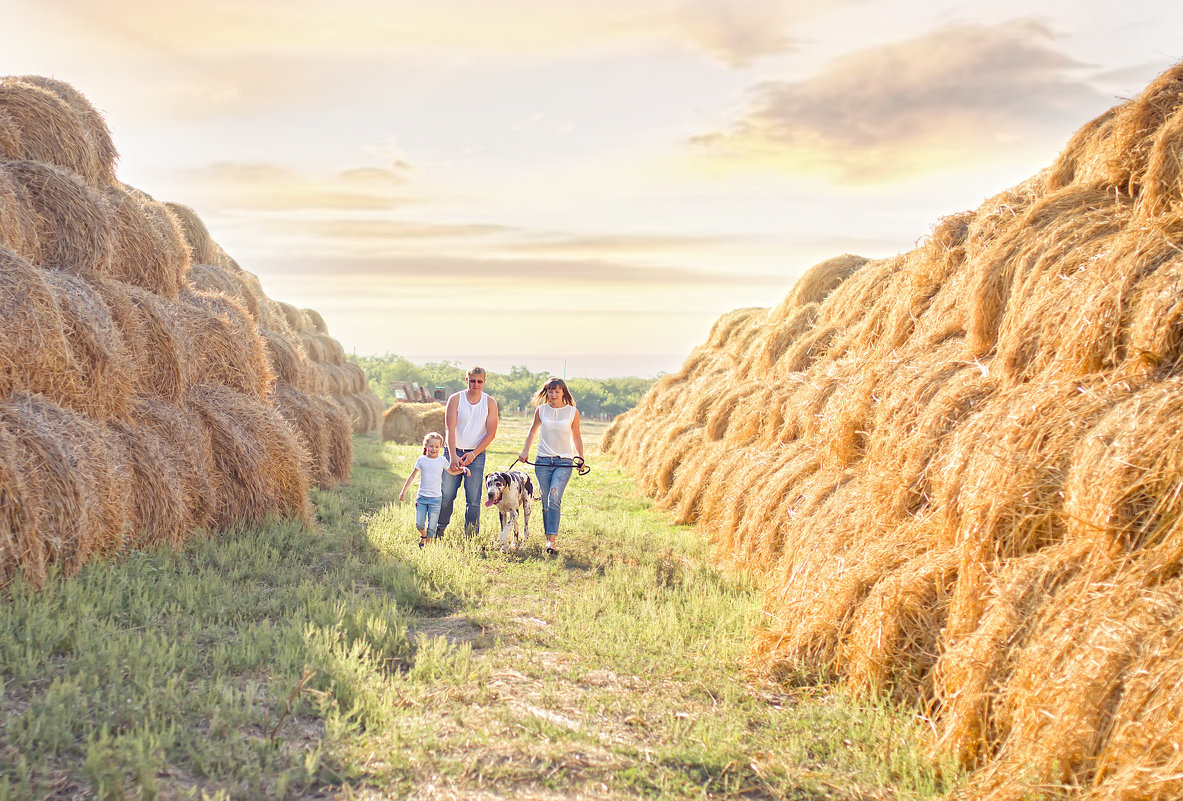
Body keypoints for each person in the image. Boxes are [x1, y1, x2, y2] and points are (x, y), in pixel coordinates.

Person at [519, 377, 585, 555]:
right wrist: (525, 452)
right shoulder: (541, 410)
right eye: (550, 391)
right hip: (542, 462)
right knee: (546, 499)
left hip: (564, 461)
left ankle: (551, 541)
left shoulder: (572, 412)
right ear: (546, 392)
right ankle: (548, 538)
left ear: (563, 392)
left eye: (557, 391)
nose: (553, 394)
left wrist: (581, 457)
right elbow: (532, 431)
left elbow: (577, 436)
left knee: (554, 497)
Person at [436, 366, 499, 538]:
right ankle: (438, 530)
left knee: (473, 499)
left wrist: (474, 454)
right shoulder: (455, 399)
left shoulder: (490, 403)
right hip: (453, 451)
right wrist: (453, 455)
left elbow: (491, 433)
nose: (476, 384)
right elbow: (450, 428)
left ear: (484, 382)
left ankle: (471, 535)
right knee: (447, 495)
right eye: (472, 381)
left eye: (479, 381)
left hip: (476, 456)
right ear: (467, 380)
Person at [399, 432, 469, 548]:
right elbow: (412, 476)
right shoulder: (421, 460)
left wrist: (463, 469)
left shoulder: (442, 461)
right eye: (431, 446)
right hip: (421, 498)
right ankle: (423, 536)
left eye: (437, 446)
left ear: (440, 447)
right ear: (426, 446)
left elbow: (452, 472)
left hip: (436, 499)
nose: (434, 449)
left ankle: (428, 549)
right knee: (419, 524)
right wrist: (403, 491)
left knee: (432, 527)